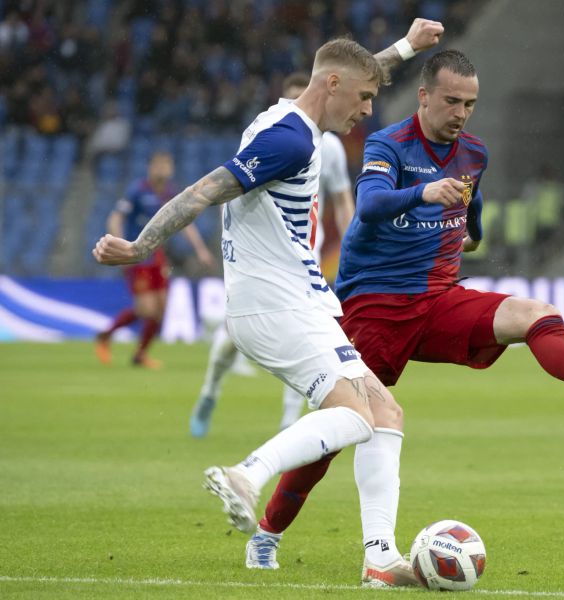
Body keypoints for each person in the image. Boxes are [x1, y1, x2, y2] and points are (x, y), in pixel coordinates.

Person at [243, 50, 564, 585]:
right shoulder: (389, 144)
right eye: (451, 100)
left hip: (439, 300)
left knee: (534, 314)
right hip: (376, 308)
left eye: (470, 103)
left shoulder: (474, 152)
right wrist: (425, 193)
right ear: (425, 96)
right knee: (344, 430)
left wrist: (471, 225)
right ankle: (268, 532)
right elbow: (374, 205)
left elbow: (473, 214)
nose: (460, 113)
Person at [92, 21, 445, 588]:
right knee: (356, 418)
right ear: (331, 87)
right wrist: (141, 245)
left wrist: (404, 48)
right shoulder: (291, 141)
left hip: (295, 301)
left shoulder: (286, 114)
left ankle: (380, 559)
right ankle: (246, 475)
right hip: (277, 305)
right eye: (363, 98)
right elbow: (204, 189)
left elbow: (352, 68)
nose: (367, 110)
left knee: (386, 416)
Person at [190, 72, 357, 437]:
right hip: (263, 262)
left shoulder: (329, 147)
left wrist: (354, 244)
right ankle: (210, 391)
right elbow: (231, 190)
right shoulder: (276, 137)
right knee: (230, 343)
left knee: (310, 340)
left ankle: (287, 423)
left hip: (304, 260)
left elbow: (343, 200)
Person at [95, 151, 214, 369]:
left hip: (157, 256)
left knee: (161, 308)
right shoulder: (138, 191)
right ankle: (106, 335)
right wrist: (118, 245)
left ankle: (140, 354)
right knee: (146, 310)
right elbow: (115, 217)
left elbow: (185, 222)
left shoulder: (170, 193)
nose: (163, 169)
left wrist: (200, 250)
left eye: (167, 165)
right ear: (150, 168)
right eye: (159, 165)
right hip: (136, 255)